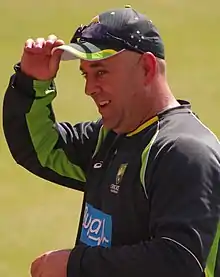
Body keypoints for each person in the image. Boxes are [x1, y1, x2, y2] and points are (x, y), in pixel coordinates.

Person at [3, 5, 220, 277]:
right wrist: (31, 83)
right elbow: (39, 149)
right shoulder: (110, 137)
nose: (89, 88)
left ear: (147, 67)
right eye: (86, 74)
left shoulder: (184, 152)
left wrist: (74, 265)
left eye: (101, 72)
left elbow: (179, 262)